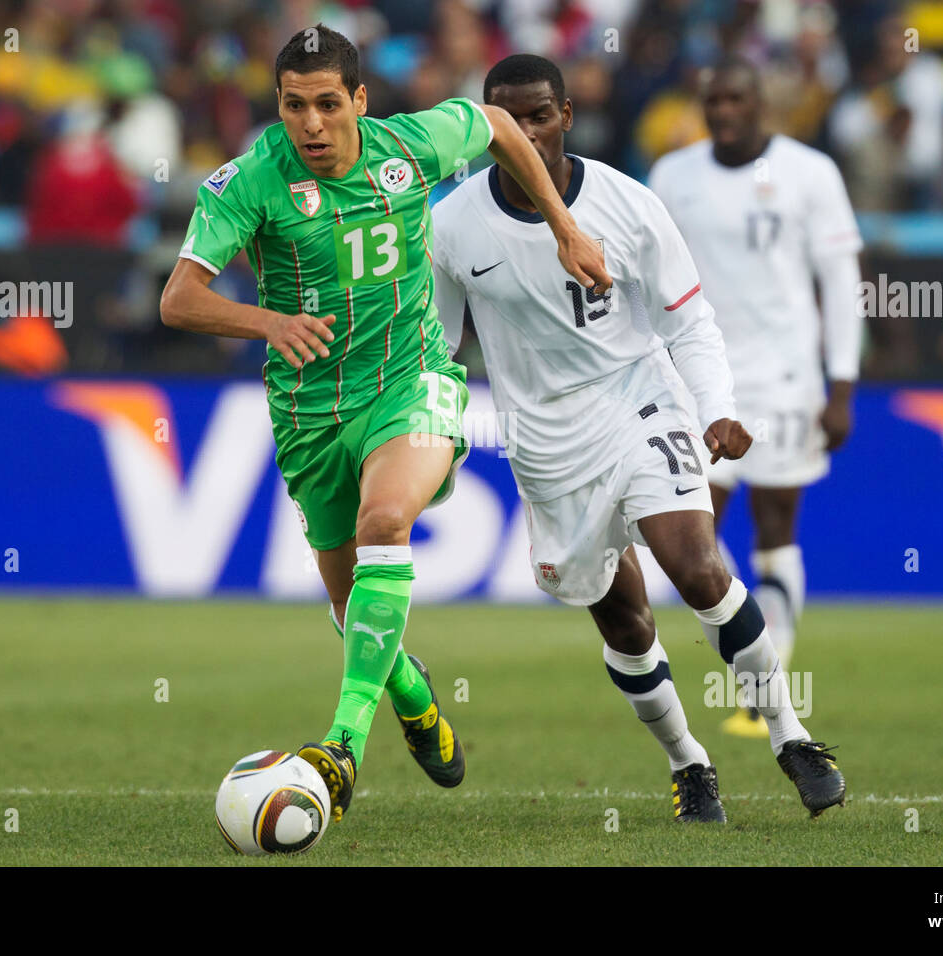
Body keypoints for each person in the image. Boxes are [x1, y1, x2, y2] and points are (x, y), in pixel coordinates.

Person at [159, 26, 610, 823]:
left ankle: (341, 747)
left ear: (360, 101)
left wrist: (562, 227)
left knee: (386, 520)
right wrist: (267, 322)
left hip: (413, 381)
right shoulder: (248, 183)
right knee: (347, 603)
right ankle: (409, 691)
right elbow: (179, 299)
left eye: (329, 104)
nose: (311, 125)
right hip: (308, 413)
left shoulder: (409, 146)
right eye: (294, 106)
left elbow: (500, 126)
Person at [432, 54, 846, 821]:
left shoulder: (628, 204)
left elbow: (687, 320)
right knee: (624, 620)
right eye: (503, 120)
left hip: (640, 400)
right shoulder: (451, 224)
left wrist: (716, 406)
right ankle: (690, 762)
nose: (522, 132)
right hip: (544, 440)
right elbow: (439, 348)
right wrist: (432, 430)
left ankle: (791, 735)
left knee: (696, 568)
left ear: (566, 117)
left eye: (538, 116)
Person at [650, 57, 863, 739]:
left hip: (788, 382)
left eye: (738, 98)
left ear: (762, 103)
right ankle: (756, 658)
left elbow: (841, 284)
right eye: (714, 100)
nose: (724, 111)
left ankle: (765, 684)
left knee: (776, 531)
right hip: (700, 379)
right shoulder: (673, 176)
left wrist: (843, 386)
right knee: (692, 535)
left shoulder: (810, 173)